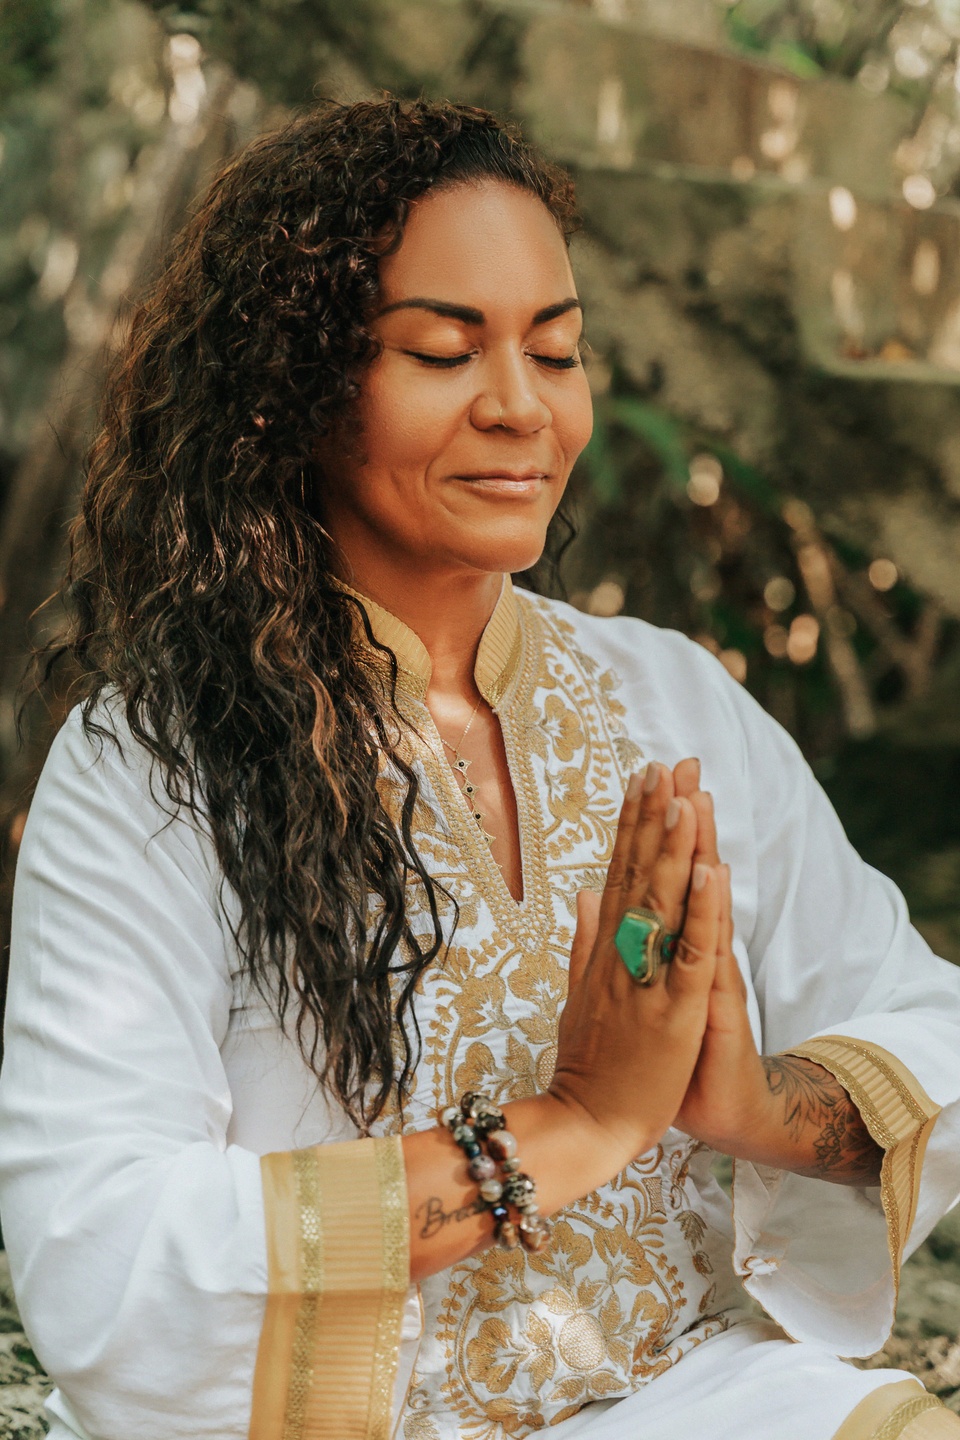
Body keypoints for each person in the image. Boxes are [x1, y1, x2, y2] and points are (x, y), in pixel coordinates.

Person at [0, 97, 958, 1440]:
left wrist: (751, 1105)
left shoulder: (665, 698)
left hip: (685, 1392)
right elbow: (102, 1246)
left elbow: (923, 1019)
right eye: (445, 351)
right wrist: (575, 1126)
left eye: (556, 351)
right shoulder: (154, 767)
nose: (521, 406)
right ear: (291, 389)